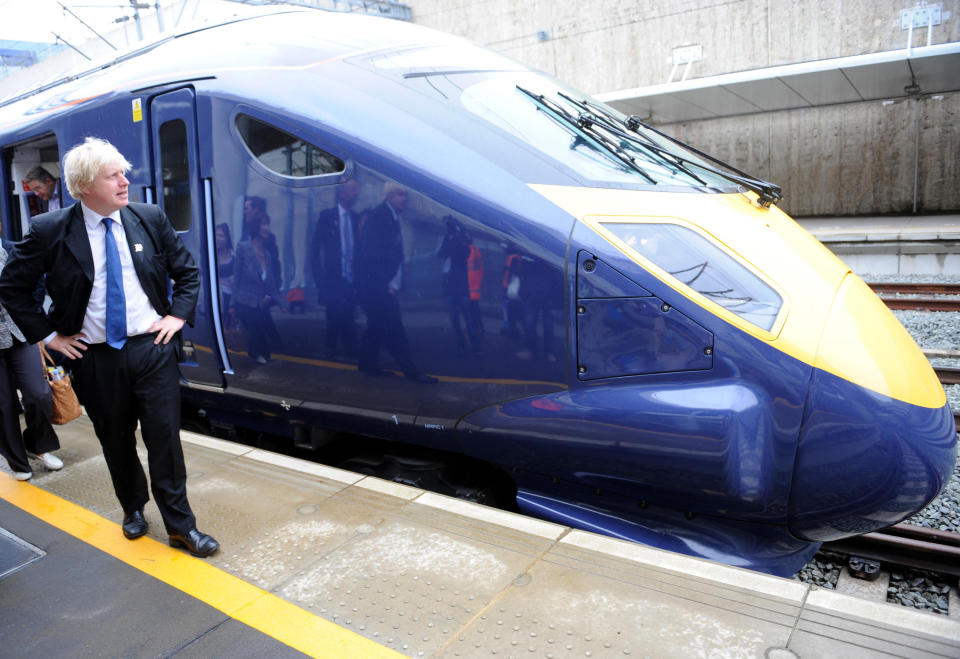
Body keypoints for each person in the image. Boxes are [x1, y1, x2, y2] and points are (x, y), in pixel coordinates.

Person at [0, 137, 219, 557]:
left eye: (124, 172)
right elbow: (12, 288)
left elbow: (187, 272)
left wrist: (175, 317)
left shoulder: (149, 218)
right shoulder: (50, 230)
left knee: (164, 442)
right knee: (115, 440)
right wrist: (49, 336)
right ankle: (133, 509)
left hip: (151, 350)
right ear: (84, 186)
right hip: (94, 358)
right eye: (113, 175)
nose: (125, 181)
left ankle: (180, 527)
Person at [355, 183, 436, 383]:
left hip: (376, 286)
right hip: (377, 287)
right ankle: (411, 372)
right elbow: (371, 254)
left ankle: (367, 366)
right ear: (389, 196)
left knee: (376, 328)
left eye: (405, 195)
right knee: (394, 329)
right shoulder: (380, 216)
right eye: (400, 195)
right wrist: (386, 285)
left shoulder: (389, 216)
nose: (404, 199)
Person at [0, 242, 62, 481]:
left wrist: (33, 316)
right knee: (4, 404)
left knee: (39, 394)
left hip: (21, 332)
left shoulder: (11, 249)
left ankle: (38, 446)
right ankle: (17, 461)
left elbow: (36, 281)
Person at [311, 179, 360, 359]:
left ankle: (350, 350)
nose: (356, 194)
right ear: (342, 194)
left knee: (348, 313)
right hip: (334, 276)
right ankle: (331, 349)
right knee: (333, 313)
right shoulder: (327, 217)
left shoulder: (356, 218)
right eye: (352, 190)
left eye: (356, 191)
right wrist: (319, 279)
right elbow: (315, 249)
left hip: (352, 276)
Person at [234, 209, 281, 364]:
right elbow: (237, 276)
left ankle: (264, 356)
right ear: (256, 227)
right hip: (244, 301)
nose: (267, 228)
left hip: (260, 302)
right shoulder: (242, 248)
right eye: (264, 224)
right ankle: (257, 356)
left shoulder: (266, 253)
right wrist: (233, 304)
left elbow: (270, 281)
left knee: (261, 326)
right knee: (256, 326)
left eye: (268, 224)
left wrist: (278, 300)